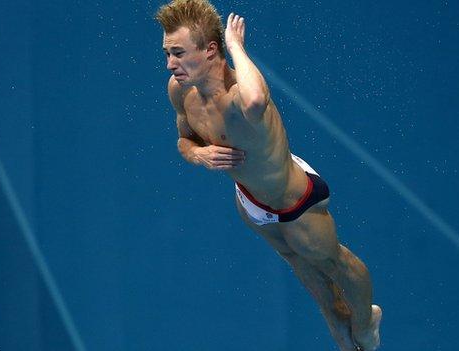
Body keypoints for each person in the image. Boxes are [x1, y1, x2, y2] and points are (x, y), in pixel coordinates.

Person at [156, 1, 382, 349]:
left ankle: (367, 322)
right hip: (252, 204)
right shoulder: (180, 91)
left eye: (179, 53)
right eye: (168, 53)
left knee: (332, 262)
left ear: (211, 49)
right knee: (303, 269)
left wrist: (237, 47)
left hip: (296, 203)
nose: (170, 64)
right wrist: (199, 154)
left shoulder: (241, 96)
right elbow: (183, 140)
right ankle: (341, 324)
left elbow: (257, 101)